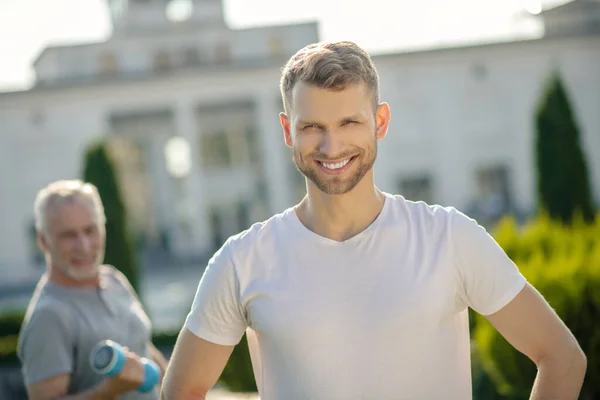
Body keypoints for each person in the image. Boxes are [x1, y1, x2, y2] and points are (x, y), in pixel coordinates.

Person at [161, 41, 586, 400]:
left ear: (379, 121)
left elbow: (562, 358)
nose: (332, 145)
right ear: (288, 131)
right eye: (312, 126)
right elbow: (179, 392)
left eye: (349, 121)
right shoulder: (242, 261)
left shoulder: (449, 238)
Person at [17, 180, 168, 400]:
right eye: (69, 235)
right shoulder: (48, 316)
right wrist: (108, 391)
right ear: (43, 241)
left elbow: (142, 347)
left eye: (90, 230)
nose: (84, 246)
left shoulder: (114, 279)